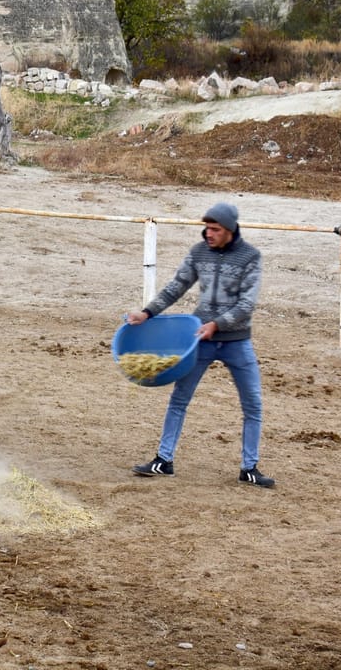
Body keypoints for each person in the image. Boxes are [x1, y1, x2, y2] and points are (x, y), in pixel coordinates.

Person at [125, 202, 275, 488]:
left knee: (253, 404)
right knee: (179, 399)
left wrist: (216, 324)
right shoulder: (198, 253)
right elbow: (175, 287)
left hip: (235, 341)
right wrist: (147, 313)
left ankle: (249, 467)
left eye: (215, 229)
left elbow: (247, 304)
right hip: (200, 340)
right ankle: (163, 460)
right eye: (207, 228)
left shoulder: (250, 258)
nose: (208, 233)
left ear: (229, 230)